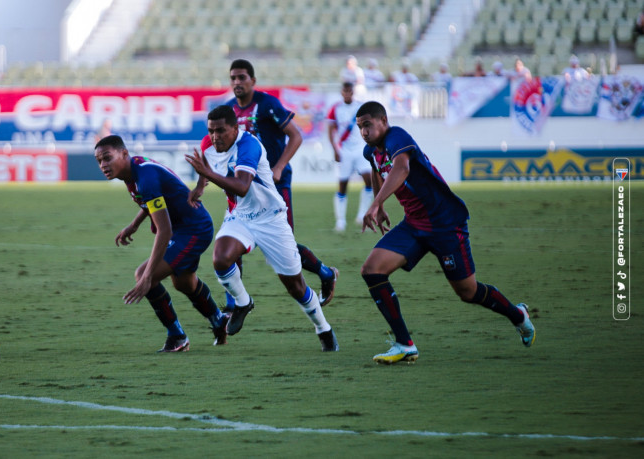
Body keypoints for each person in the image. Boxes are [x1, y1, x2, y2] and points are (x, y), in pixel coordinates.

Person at [355, 101, 535, 364]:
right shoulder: (370, 150)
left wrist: (373, 204)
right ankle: (405, 344)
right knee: (371, 270)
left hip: (445, 223)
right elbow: (376, 170)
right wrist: (379, 203)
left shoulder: (398, 136)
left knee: (468, 292)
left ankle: (518, 316)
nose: (364, 132)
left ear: (383, 120)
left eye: (368, 125)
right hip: (415, 224)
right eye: (360, 127)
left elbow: (401, 168)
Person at [185, 105, 338, 351]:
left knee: (295, 286)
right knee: (221, 258)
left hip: (271, 219)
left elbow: (242, 186)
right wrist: (200, 185)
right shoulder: (208, 144)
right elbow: (206, 160)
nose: (215, 137)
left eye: (221, 131)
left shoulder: (250, 145)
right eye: (211, 131)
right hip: (240, 216)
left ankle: (324, 329)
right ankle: (243, 303)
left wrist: (206, 175)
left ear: (236, 128)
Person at [95, 135, 227, 352]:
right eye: (99, 161)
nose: (103, 165)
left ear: (124, 154)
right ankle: (219, 320)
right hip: (184, 228)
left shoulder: (144, 178)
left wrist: (147, 276)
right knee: (184, 284)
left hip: (193, 229)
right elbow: (154, 200)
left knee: (144, 275)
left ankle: (177, 336)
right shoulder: (134, 169)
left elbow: (163, 230)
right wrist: (134, 224)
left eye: (107, 158)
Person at [224, 59, 338, 309]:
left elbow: (296, 136)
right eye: (233, 78)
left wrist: (278, 167)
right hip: (244, 186)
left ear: (253, 81)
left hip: (275, 182)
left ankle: (326, 273)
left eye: (242, 77)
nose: (237, 82)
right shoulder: (228, 110)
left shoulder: (267, 104)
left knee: (285, 243)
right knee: (231, 237)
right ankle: (235, 303)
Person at [326, 82, 374, 232]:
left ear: (352, 92)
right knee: (343, 185)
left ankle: (361, 215)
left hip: (360, 149)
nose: (347, 94)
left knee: (369, 180)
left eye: (349, 91)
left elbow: (369, 126)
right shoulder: (336, 108)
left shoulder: (360, 107)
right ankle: (340, 221)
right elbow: (330, 129)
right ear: (342, 93)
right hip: (344, 150)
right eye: (345, 91)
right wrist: (334, 148)